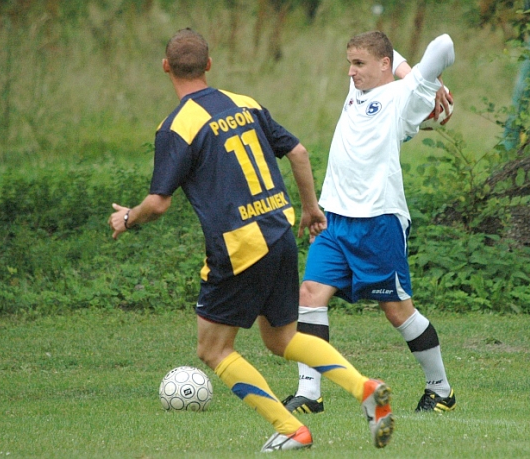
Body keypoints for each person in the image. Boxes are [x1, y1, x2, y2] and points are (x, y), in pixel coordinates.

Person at [108, 28, 394, 452]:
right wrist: (311, 208)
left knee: (213, 350)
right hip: (278, 230)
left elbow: (159, 203)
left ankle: (290, 427)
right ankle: (365, 388)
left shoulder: (176, 127)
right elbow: (297, 152)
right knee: (280, 340)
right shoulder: (245, 104)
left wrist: (127, 218)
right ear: (209, 66)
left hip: (239, 246)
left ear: (166, 67)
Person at [282, 31, 457, 415]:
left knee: (398, 311)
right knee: (309, 295)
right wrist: (395, 62)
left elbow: (443, 44)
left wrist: (420, 77)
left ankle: (440, 389)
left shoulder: (405, 94)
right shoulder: (359, 88)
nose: (351, 71)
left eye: (359, 64)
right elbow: (386, 55)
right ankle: (309, 393)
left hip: (378, 221)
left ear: (382, 66)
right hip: (334, 218)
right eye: (349, 63)